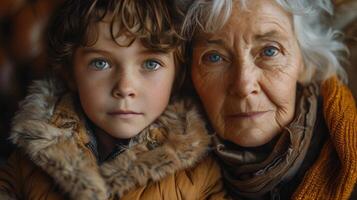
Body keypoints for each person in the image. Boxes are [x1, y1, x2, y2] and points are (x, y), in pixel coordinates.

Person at [0, 0, 225, 199]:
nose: (125, 88)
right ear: (70, 74)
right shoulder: (28, 161)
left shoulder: (199, 173)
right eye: (100, 63)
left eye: (150, 64)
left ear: (177, 76)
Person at [182, 0, 357, 199]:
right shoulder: (168, 179)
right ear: (189, 74)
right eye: (214, 57)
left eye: (269, 51)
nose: (244, 85)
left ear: (305, 63)